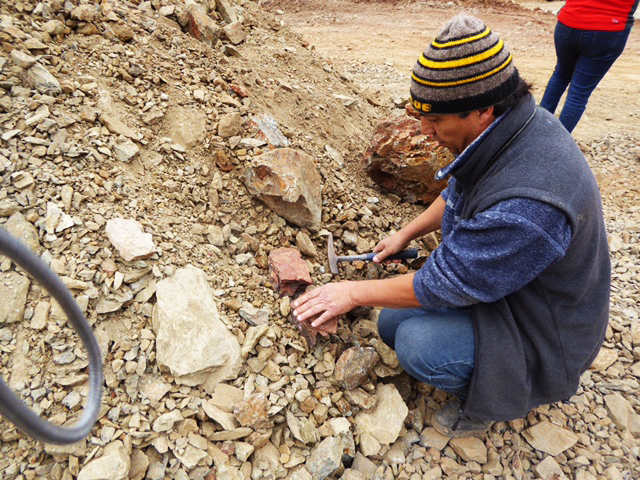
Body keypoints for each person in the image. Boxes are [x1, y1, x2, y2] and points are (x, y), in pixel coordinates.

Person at [292, 13, 611, 438]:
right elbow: (460, 188)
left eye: (437, 120)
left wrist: (349, 292)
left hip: (544, 330)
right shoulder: (509, 128)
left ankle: (497, 399)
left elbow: (444, 283)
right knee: (391, 323)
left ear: (483, 110)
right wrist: (406, 233)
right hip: (514, 286)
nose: (424, 130)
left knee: (418, 345)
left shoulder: (529, 206)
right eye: (422, 115)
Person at [540, 0, 638, 132]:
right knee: (578, 93)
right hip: (609, 29)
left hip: (569, 22)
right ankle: (556, 142)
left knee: (561, 75)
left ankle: (534, 131)